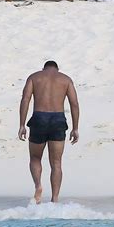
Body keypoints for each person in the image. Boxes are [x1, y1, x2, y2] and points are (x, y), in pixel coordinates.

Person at [19, 61, 80, 204]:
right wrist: (75, 128)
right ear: (57, 69)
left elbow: (25, 99)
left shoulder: (34, 77)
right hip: (58, 119)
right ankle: (55, 199)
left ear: (43, 68)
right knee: (56, 163)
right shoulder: (65, 79)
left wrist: (22, 124)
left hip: (39, 118)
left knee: (35, 158)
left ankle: (38, 186)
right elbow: (74, 104)